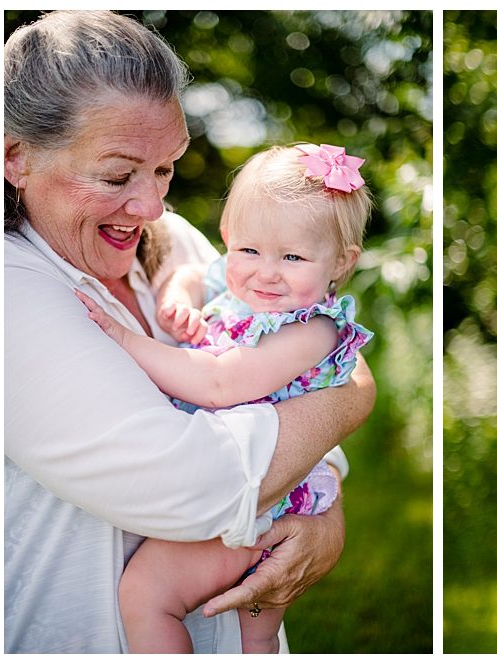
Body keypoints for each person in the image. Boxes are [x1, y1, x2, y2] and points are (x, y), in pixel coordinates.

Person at [1, 10, 373, 653]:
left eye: (165, 169)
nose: (151, 206)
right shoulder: (16, 290)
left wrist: (325, 515)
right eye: (117, 176)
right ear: (17, 159)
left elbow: (299, 388)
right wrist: (356, 400)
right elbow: (195, 488)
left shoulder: (172, 240)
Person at [81, 143, 375, 653]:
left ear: (340, 263)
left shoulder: (313, 328)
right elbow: (194, 275)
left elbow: (219, 384)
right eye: (249, 250)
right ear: (227, 236)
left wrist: (127, 339)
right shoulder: (240, 279)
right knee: (251, 637)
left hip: (265, 497)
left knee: (147, 594)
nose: (266, 271)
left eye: (293, 257)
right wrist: (179, 300)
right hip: (242, 481)